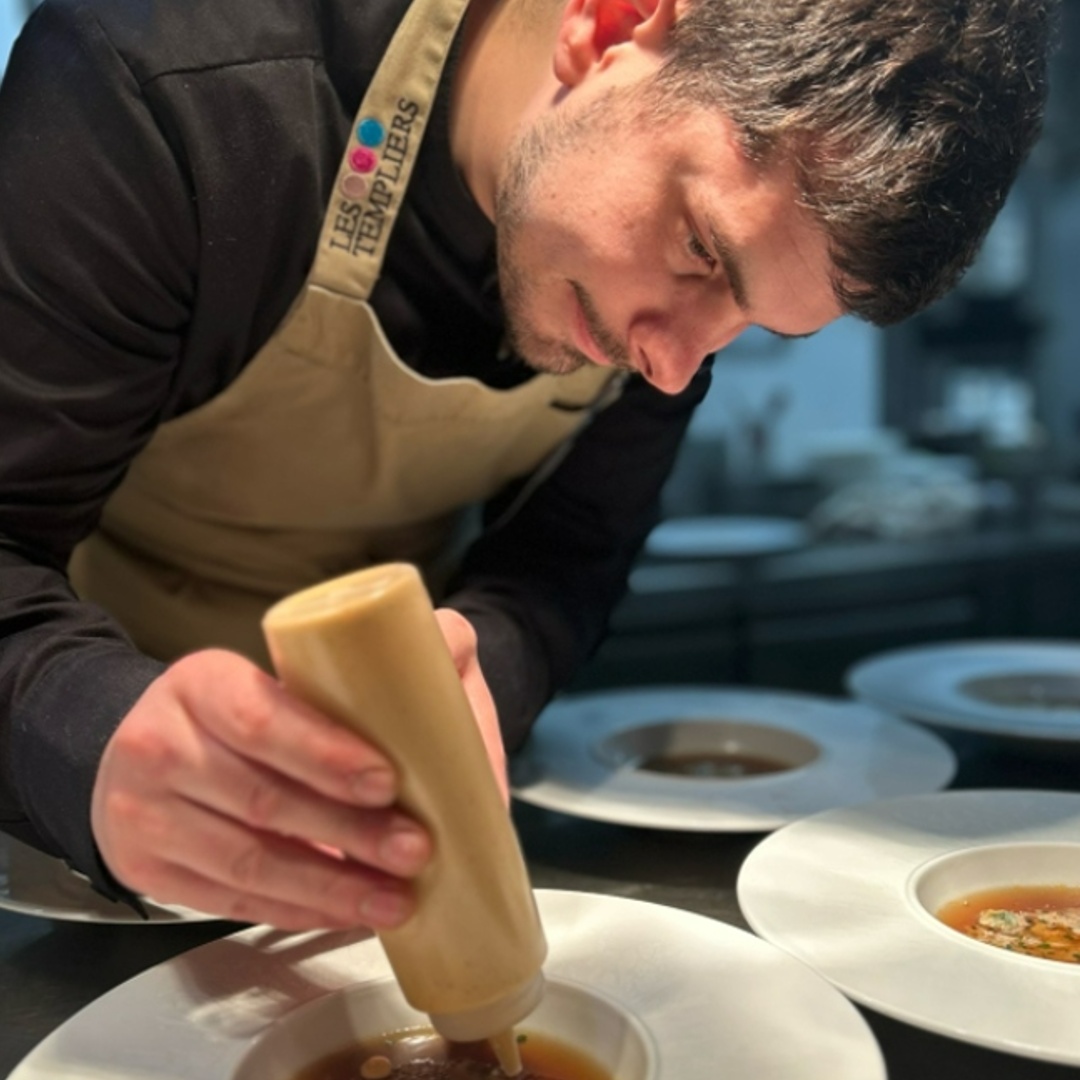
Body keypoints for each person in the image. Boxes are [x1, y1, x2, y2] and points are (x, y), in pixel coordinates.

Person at [0, 0, 1057, 930]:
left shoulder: (660, 323)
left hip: (369, 861)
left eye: (749, 322)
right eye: (700, 250)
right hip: (63, 829)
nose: (672, 360)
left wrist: (491, 656)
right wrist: (79, 729)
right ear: (605, 25)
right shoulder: (168, 88)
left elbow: (571, 557)